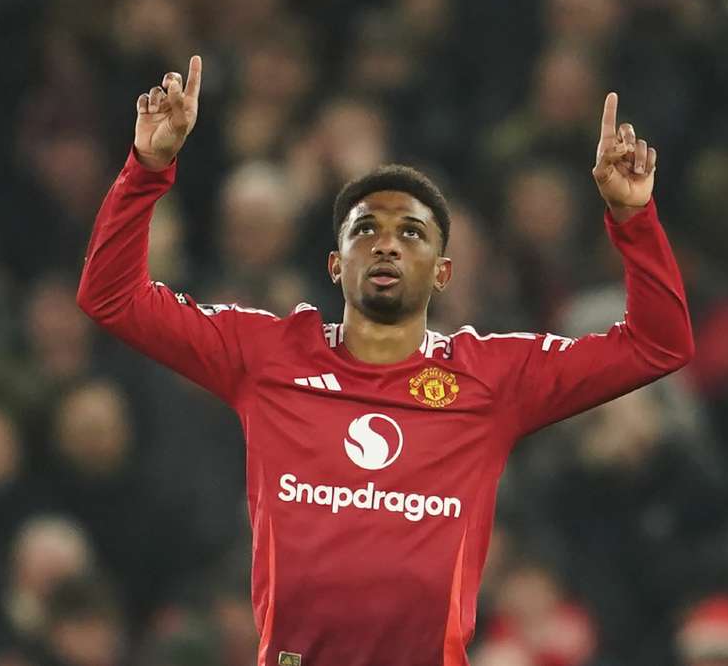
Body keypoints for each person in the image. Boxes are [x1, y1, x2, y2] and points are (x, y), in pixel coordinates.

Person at [76, 55, 693, 666]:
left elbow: (657, 345)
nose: (388, 244)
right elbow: (112, 298)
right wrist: (147, 168)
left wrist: (632, 218)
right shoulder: (267, 355)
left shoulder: (492, 378)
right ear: (335, 264)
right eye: (365, 229)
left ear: (444, 273)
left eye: (413, 233)